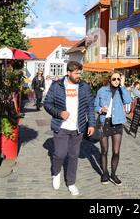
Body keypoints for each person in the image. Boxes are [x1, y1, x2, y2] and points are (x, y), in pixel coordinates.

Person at [43, 61, 95, 196]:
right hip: (61, 126)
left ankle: (71, 182)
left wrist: (92, 124)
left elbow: (90, 106)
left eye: (80, 73)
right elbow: (47, 104)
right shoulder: (57, 86)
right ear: (68, 73)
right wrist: (59, 113)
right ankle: (56, 173)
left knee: (73, 155)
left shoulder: (84, 86)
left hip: (78, 128)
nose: (79, 75)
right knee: (60, 154)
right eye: (77, 73)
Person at [94, 72, 132, 186]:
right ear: (110, 80)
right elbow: (95, 105)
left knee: (116, 151)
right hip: (104, 122)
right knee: (104, 150)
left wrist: (123, 85)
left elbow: (128, 100)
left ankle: (113, 174)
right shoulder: (102, 90)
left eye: (118, 79)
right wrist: (101, 109)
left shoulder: (122, 90)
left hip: (117, 123)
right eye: (114, 79)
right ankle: (104, 173)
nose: (116, 81)